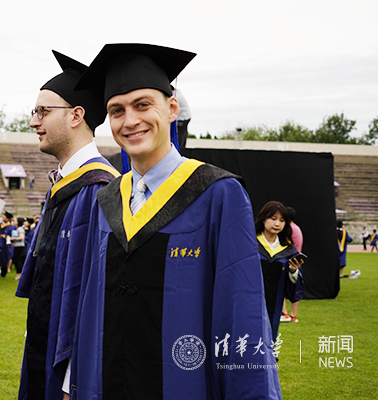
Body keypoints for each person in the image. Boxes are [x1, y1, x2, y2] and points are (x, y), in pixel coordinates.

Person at [71, 43, 282, 399]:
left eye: (142, 105)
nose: (130, 120)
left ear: (171, 109)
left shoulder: (218, 194)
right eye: (117, 110)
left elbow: (242, 311)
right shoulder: (106, 201)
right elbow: (90, 311)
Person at [16, 50, 119, 400]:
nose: (34, 122)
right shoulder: (62, 185)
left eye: (43, 111)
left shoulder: (101, 190)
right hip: (44, 350)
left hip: (70, 373)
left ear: (76, 115)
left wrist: (72, 380)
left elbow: (97, 297)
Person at [255, 201, 305, 340]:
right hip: (250, 301)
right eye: (273, 219)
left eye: (282, 220)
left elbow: (294, 289)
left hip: (274, 304)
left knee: (269, 338)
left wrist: (293, 271)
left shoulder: (288, 251)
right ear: (264, 219)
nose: (277, 224)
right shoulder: (250, 244)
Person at [281, 206, 303, 323]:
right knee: (296, 288)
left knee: (283, 287)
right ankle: (293, 315)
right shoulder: (296, 228)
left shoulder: (289, 229)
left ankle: (285, 313)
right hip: (297, 261)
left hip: (290, 261)